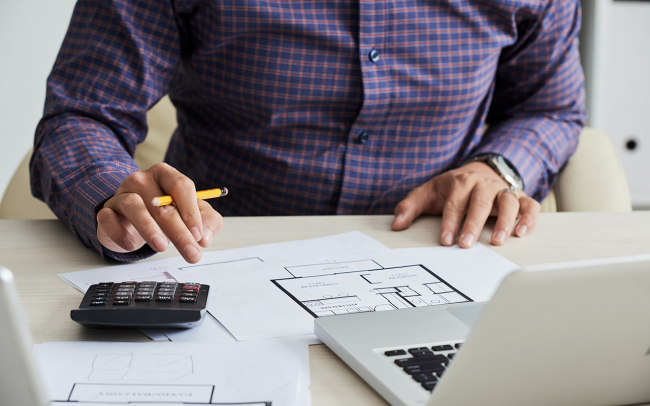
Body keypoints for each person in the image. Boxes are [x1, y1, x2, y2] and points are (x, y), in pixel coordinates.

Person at [31, 0, 586, 264]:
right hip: (216, 256)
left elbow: (550, 109)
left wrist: (497, 166)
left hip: (440, 253)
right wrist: (111, 193)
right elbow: (83, 112)